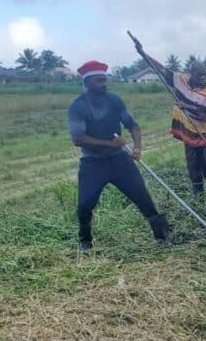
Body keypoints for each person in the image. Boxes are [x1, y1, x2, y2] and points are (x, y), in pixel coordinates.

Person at [68, 60, 170, 251]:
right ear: (87, 82)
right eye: (99, 81)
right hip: (93, 163)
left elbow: (133, 125)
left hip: (119, 159)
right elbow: (78, 139)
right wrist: (108, 143)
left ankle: (162, 236)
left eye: (105, 80)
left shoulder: (114, 100)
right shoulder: (77, 106)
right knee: (85, 204)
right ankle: (85, 241)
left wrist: (138, 147)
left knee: (142, 196)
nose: (103, 84)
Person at [131, 41, 206, 195]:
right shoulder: (180, 80)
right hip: (189, 130)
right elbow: (161, 69)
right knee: (193, 165)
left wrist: (187, 106)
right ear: (191, 73)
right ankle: (199, 195)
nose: (203, 78)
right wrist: (142, 53)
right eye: (199, 75)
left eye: (204, 74)